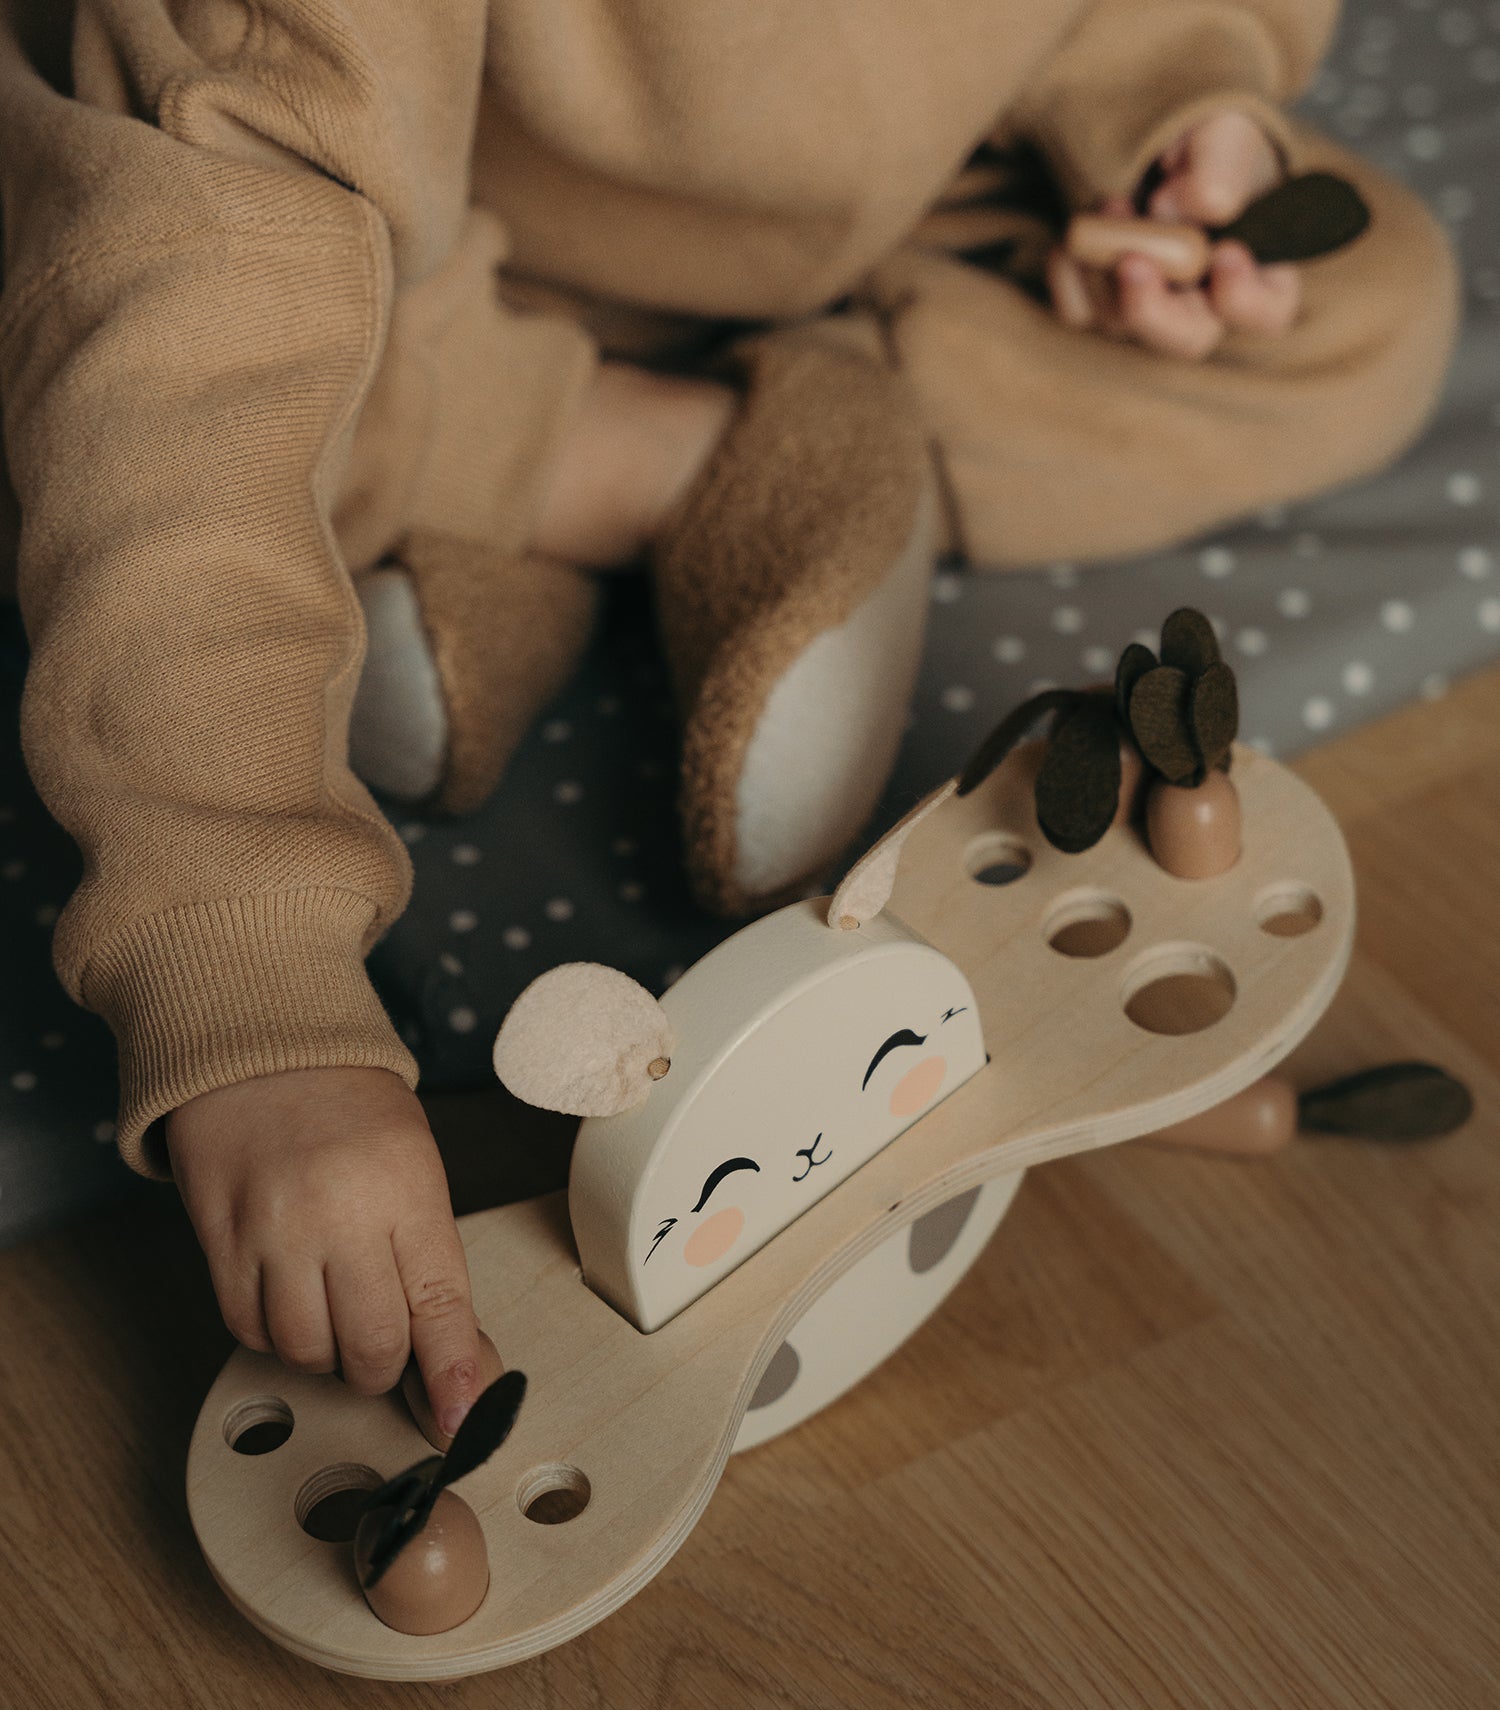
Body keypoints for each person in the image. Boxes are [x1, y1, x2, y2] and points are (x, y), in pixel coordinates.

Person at [0, 2, 1457, 1438]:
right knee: (128, 390)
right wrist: (257, 1003)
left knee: (1370, 314)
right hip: (367, 260)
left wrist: (1171, 113)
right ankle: (650, 468)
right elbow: (195, 314)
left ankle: (695, 461)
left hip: (858, 231)